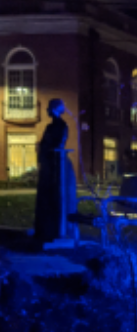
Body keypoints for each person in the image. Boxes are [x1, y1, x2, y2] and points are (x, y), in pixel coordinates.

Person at [34, 99, 77, 243]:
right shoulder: (52, 126)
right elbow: (47, 143)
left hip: (55, 163)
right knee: (47, 196)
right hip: (50, 164)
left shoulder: (60, 126)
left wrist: (47, 151)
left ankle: (53, 229)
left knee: (56, 196)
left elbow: (58, 143)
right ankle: (46, 229)